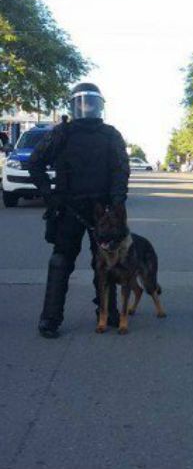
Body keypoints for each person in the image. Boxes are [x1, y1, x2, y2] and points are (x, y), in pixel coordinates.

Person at [29, 82, 130, 338]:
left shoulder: (110, 134)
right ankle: (50, 318)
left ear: (99, 106)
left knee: (107, 263)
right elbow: (35, 163)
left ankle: (108, 313)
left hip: (102, 212)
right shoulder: (62, 133)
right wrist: (50, 196)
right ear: (73, 105)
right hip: (69, 208)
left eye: (91, 103)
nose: (86, 107)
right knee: (61, 261)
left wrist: (116, 205)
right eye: (82, 102)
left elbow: (121, 170)